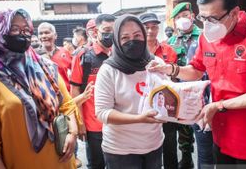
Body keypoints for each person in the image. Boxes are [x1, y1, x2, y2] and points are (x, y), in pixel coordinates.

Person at [149, 0, 246, 167]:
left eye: (212, 19)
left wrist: (219, 105)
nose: (206, 25)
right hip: (221, 134)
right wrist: (170, 69)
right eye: (202, 18)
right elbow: (196, 70)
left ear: (234, 13)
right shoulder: (207, 38)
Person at [0, 9, 81, 168]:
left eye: (27, 29)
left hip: (61, 159)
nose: (23, 35)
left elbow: (66, 104)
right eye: (14, 29)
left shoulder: (46, 67)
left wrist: (73, 132)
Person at [95, 14, 164, 169]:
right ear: (117, 41)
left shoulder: (157, 64)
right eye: (125, 37)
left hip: (154, 144)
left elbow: (167, 96)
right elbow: (102, 113)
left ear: (144, 37)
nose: (132, 41)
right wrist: (139, 118)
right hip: (120, 151)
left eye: (137, 35)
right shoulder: (108, 70)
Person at [70, 14, 115, 169]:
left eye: (114, 30)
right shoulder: (84, 56)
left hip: (117, 122)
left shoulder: (119, 54)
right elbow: (75, 90)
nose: (111, 34)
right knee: (97, 164)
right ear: (96, 31)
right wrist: (80, 121)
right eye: (107, 30)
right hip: (94, 125)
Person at [139, 12, 178, 169]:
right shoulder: (134, 52)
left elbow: (174, 80)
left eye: (154, 27)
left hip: (166, 107)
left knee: (170, 148)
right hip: (143, 108)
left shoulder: (168, 50)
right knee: (148, 153)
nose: (150, 31)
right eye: (146, 27)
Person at [167, 1, 199, 169]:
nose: (182, 19)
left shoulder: (204, 36)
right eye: (178, 17)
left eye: (185, 16)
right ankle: (187, 158)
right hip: (181, 92)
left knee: (205, 129)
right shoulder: (171, 41)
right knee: (184, 129)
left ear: (192, 16)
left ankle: (207, 161)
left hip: (203, 91)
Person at [38, 22, 72, 92]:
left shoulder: (65, 52)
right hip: (45, 98)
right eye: (40, 34)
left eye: (47, 33)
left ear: (55, 35)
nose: (43, 36)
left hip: (66, 96)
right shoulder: (34, 55)